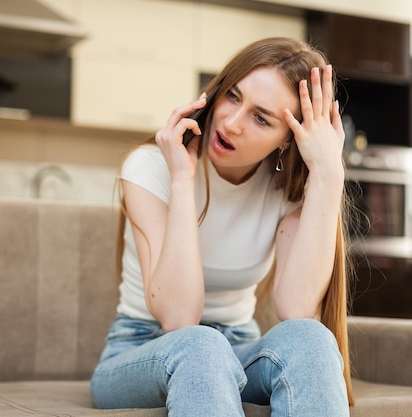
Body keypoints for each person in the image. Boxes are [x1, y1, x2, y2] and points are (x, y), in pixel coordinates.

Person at [90, 36, 354, 416]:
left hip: (236, 349)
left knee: (310, 338)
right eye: (232, 96)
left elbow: (295, 308)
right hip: (140, 349)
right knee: (200, 345)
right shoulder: (151, 167)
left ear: (286, 141)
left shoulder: (285, 190)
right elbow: (179, 319)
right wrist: (182, 180)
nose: (230, 123)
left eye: (261, 118)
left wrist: (329, 174)